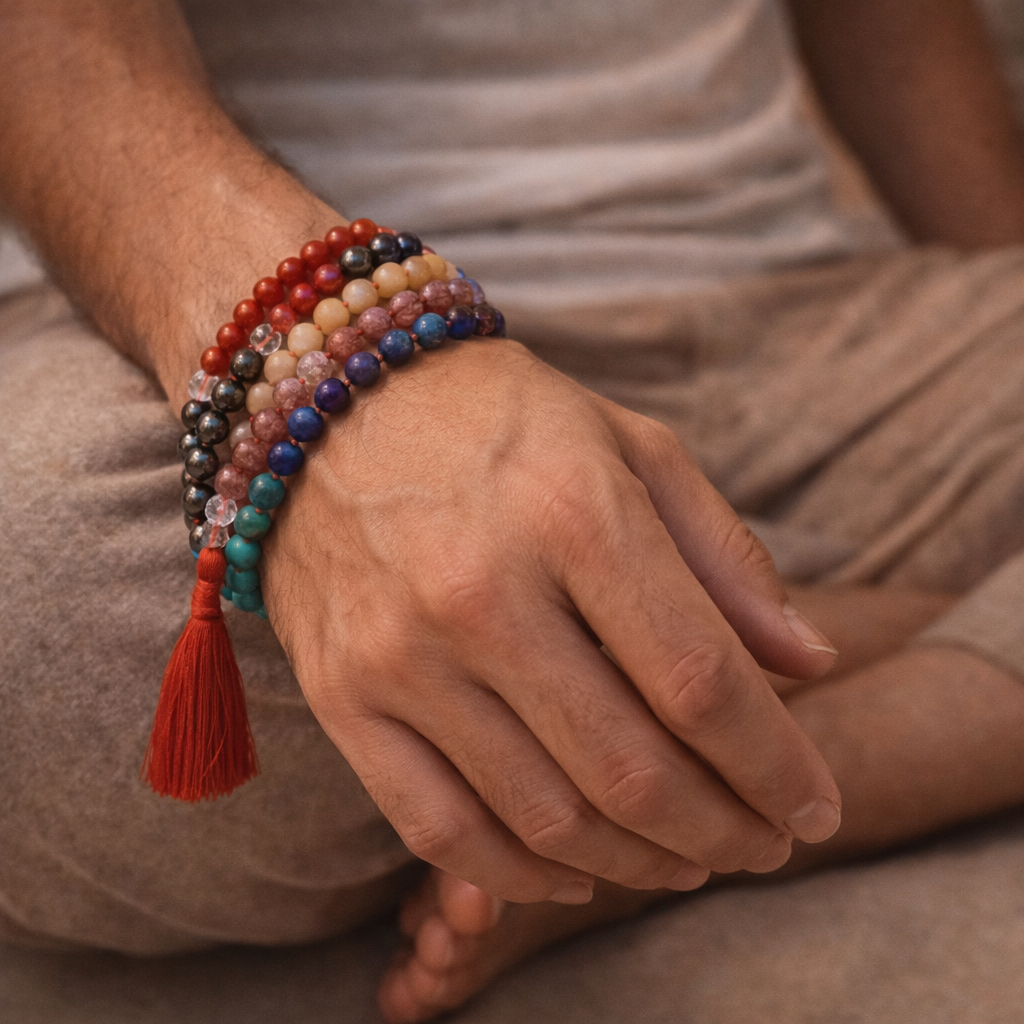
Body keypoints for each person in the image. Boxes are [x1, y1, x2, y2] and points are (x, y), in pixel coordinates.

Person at [2, 1, 1024, 1022]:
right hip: (184, 316)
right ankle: (850, 650)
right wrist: (349, 372)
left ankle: (696, 797)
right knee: (38, 603)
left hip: (812, 321)